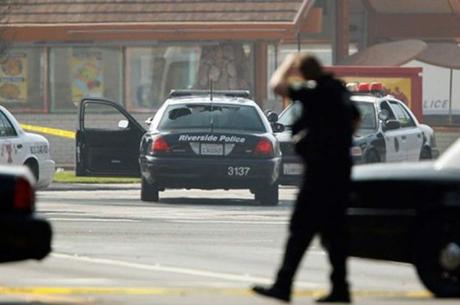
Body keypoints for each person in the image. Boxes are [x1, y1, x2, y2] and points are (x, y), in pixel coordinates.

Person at [252, 53, 360, 303]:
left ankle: (283, 284)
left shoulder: (318, 92)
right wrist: (338, 138)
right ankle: (340, 288)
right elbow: (355, 118)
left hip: (319, 173)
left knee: (300, 230)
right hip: (340, 173)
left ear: (304, 73)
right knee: (335, 234)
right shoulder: (337, 89)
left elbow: (276, 85)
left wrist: (288, 63)